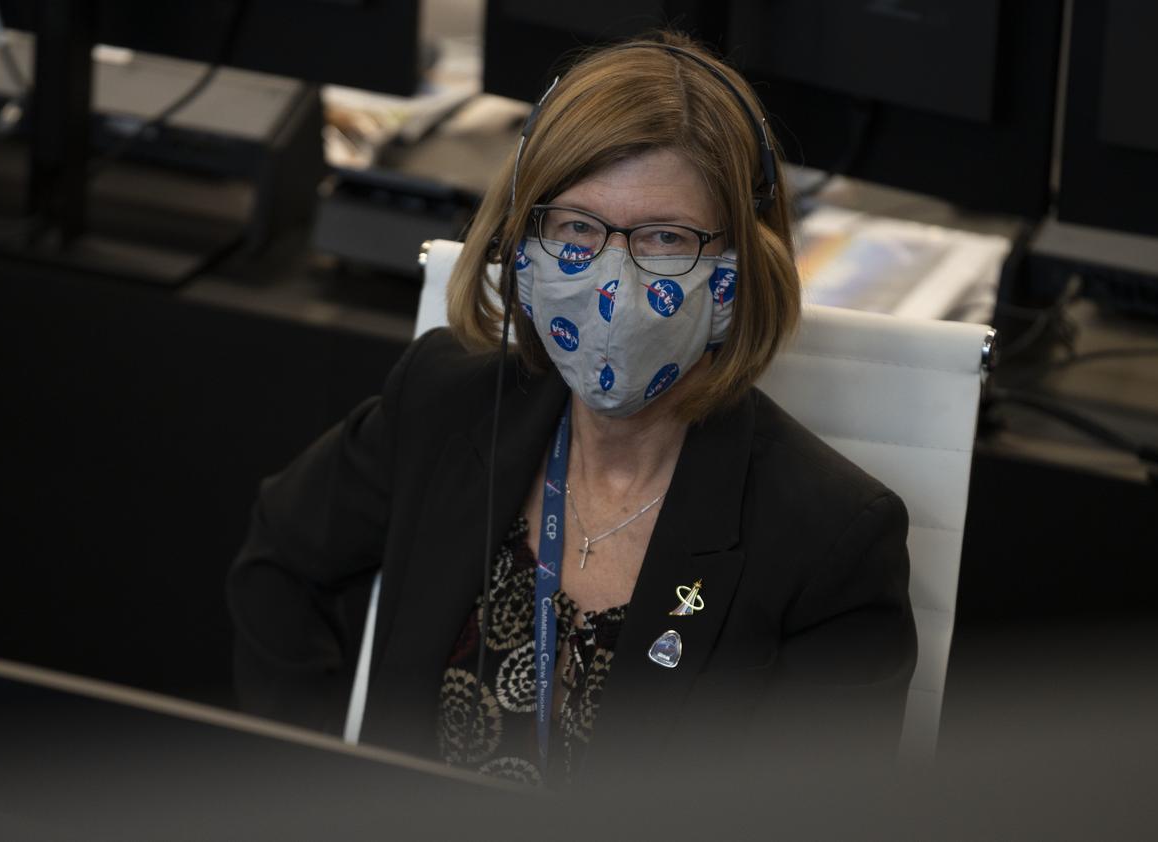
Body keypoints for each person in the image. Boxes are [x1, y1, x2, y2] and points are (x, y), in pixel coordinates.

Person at [228, 31, 915, 787]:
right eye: (579, 229)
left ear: (738, 272)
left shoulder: (832, 542)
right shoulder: (441, 407)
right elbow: (278, 564)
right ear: (524, 244)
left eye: (664, 239)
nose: (613, 282)